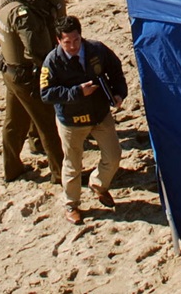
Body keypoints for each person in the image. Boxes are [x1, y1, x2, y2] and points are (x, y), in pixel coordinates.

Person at [40, 16, 128, 225]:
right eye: (67, 42)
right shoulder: (52, 61)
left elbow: (115, 69)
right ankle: (71, 204)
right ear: (58, 40)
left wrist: (119, 93)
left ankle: (98, 184)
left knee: (113, 156)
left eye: (76, 40)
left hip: (99, 115)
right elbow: (46, 93)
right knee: (73, 165)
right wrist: (77, 92)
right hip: (71, 121)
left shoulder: (97, 50)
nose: (73, 46)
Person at [0, 0, 64, 184]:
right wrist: (49, 69)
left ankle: (12, 168)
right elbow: (34, 49)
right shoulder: (23, 14)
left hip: (10, 71)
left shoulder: (2, 1)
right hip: (26, 76)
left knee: (14, 123)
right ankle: (61, 173)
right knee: (48, 124)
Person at [24, 0, 68, 155]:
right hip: (44, 55)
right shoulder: (37, 0)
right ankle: (38, 140)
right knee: (41, 102)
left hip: (56, 49)